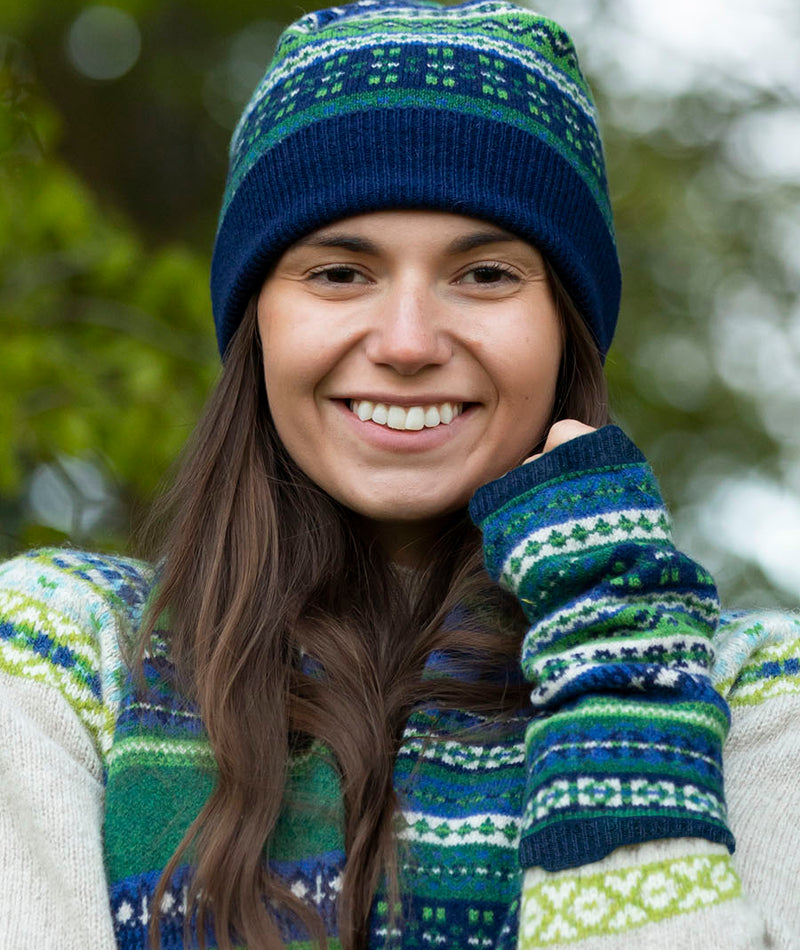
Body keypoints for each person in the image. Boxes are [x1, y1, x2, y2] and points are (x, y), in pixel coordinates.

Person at [0, 1, 798, 948]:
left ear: (564, 330)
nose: (410, 344)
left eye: (485, 274)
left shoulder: (749, 693)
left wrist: (615, 648)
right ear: (258, 322)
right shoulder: (58, 655)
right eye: (341, 272)